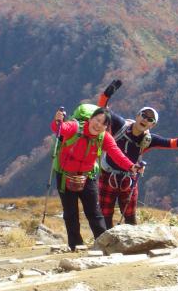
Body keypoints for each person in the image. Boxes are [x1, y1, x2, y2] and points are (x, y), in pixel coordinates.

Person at [96, 80, 178, 228]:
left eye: (150, 119)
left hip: (129, 178)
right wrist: (106, 95)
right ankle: (106, 240)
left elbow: (172, 143)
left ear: (153, 125)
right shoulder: (120, 125)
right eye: (144, 115)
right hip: (108, 175)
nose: (145, 119)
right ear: (137, 115)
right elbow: (103, 110)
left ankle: (131, 241)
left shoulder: (149, 140)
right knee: (105, 214)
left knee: (130, 216)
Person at [51, 105, 138, 251]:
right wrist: (57, 121)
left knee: (95, 212)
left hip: (87, 176)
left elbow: (116, 153)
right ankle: (76, 245)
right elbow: (59, 129)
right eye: (97, 120)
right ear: (90, 119)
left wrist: (131, 167)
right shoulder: (75, 127)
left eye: (103, 124)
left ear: (106, 127)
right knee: (70, 212)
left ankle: (103, 244)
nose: (98, 125)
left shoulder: (104, 137)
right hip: (65, 174)